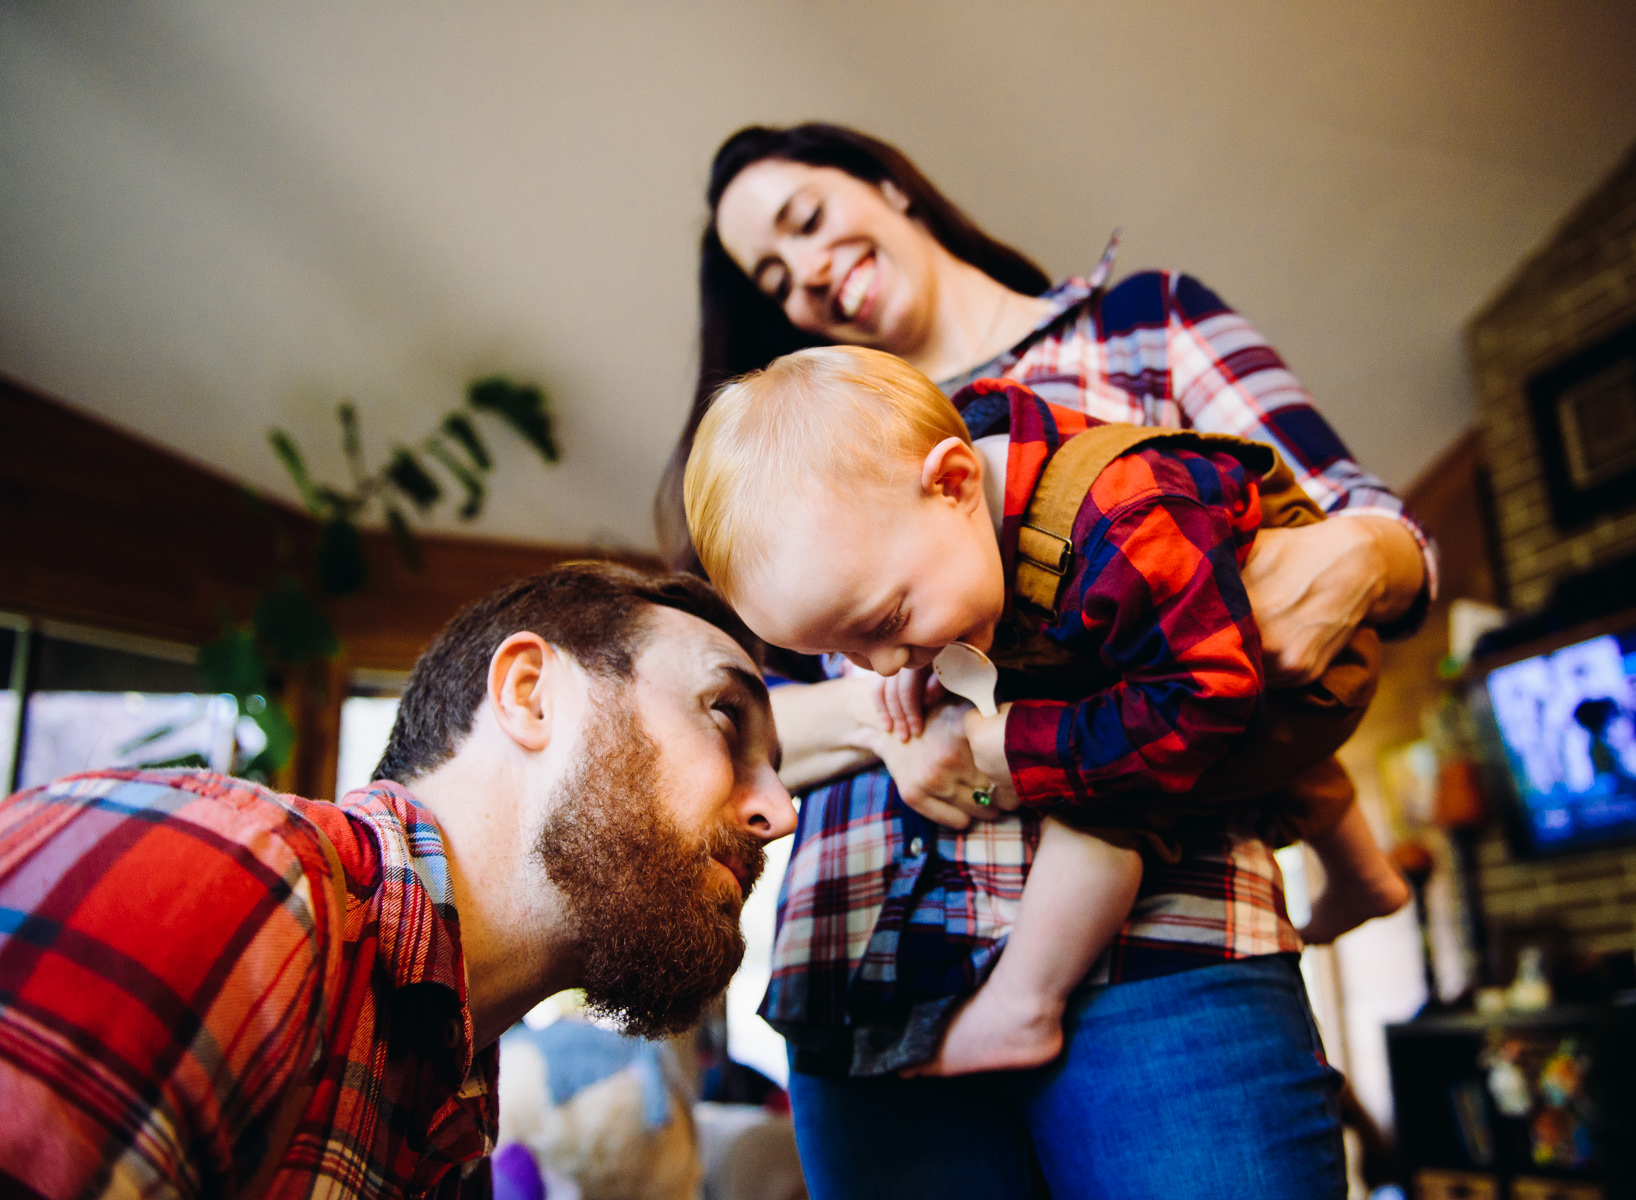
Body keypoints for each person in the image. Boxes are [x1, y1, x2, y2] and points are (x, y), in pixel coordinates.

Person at [660, 122, 1438, 1198]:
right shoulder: (783, 469)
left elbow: (1367, 536)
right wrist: (894, 729)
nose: (809, 278)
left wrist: (1357, 554)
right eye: (774, 277)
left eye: (805, 219)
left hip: (1169, 954)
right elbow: (729, 741)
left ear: (888, 183)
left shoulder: (1140, 328)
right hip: (864, 978)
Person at [684, 345, 1410, 1078]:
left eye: (883, 623)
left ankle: (1025, 1006)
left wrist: (1029, 750)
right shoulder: (938, 520)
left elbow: (1204, 700)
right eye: (847, 650)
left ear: (955, 481)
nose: (887, 664)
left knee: (1114, 788)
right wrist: (903, 658)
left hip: (1293, 675)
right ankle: (1364, 874)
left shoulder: (1126, 521)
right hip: (1198, 657)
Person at [0, 561, 795, 1199]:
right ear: (530, 694)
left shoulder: (454, 1133)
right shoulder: (233, 869)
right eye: (726, 715)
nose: (780, 811)